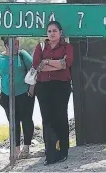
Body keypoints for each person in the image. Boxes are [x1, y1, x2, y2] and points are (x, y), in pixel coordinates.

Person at [32, 21, 73, 165]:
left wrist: (47, 61)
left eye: (55, 31)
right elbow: (37, 66)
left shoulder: (66, 47)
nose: (52, 33)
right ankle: (50, 152)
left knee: (60, 117)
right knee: (47, 119)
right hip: (43, 87)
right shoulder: (41, 47)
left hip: (61, 86)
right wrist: (55, 64)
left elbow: (65, 64)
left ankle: (63, 151)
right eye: (49, 31)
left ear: (60, 32)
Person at [0, 37, 35, 158]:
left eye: (17, 44)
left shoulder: (22, 55)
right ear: (6, 45)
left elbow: (34, 70)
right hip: (7, 95)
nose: (17, 47)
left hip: (24, 94)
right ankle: (16, 150)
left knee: (26, 120)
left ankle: (26, 147)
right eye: (13, 44)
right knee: (13, 123)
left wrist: (31, 90)